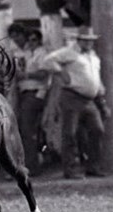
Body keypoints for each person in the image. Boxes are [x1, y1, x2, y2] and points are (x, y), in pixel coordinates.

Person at [45, 26, 108, 179]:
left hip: (90, 98)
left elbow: (95, 79)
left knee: (97, 130)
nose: (89, 43)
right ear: (79, 40)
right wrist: (61, 72)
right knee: (70, 133)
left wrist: (101, 98)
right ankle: (71, 168)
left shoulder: (93, 56)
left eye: (91, 40)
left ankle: (93, 166)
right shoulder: (69, 52)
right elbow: (48, 60)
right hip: (72, 96)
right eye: (86, 40)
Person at [16, 28, 49, 176]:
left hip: (35, 93)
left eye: (34, 40)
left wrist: (26, 75)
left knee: (27, 130)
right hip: (25, 92)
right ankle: (33, 162)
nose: (31, 43)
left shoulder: (42, 54)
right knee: (28, 131)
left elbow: (43, 74)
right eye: (29, 40)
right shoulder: (26, 55)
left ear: (39, 41)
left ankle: (33, 166)